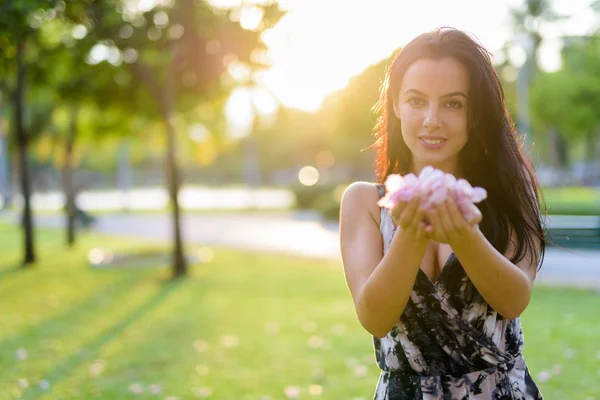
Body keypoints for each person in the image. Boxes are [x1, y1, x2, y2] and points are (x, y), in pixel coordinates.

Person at [339, 27, 546, 399]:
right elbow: (374, 318)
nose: (432, 119)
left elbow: (514, 300)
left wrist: (465, 235)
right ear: (397, 106)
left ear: (476, 114)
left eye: (453, 103)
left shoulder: (509, 196)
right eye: (416, 101)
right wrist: (411, 232)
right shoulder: (363, 203)